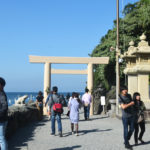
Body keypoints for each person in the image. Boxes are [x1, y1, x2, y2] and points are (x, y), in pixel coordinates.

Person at [0, 77, 8, 150]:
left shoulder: (2, 94)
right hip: (3, 119)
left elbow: (4, 107)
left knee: (1, 139)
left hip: (1, 120)